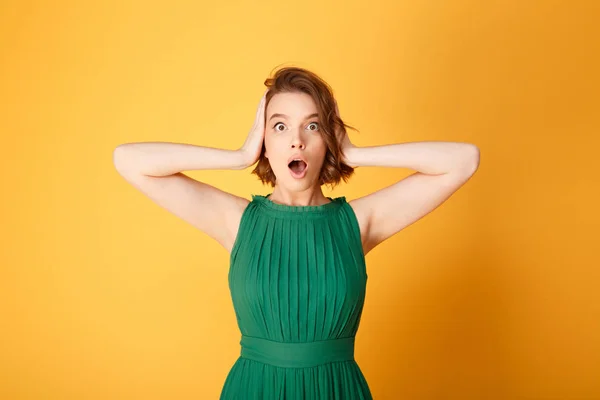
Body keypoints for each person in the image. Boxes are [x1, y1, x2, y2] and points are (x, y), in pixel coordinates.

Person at [113, 66, 480, 399]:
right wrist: (239, 156)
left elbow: (463, 160)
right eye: (280, 126)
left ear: (327, 141)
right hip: (254, 390)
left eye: (313, 125)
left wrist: (354, 153)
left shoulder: (358, 222)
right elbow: (128, 160)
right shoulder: (238, 220)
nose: (296, 141)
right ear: (265, 142)